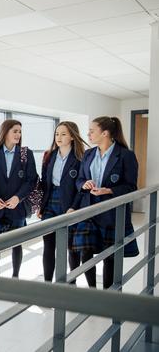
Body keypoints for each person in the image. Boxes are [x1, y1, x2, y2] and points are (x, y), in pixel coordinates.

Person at [74, 116, 139, 289]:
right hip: (88, 210)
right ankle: (93, 291)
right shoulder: (88, 154)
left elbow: (131, 187)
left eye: (91, 131)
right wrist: (84, 184)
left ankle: (108, 294)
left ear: (105, 133)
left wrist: (108, 190)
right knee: (85, 252)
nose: (88, 134)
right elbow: (79, 179)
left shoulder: (125, 155)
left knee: (109, 257)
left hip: (112, 213)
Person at [0, 119, 38, 278]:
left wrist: (18, 198)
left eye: (20, 131)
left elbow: (31, 180)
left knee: (17, 244)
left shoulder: (25, 153)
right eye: (15, 131)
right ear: (5, 132)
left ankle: (15, 278)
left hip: (18, 207)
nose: (18, 134)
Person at [37, 121, 87, 282]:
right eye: (57, 134)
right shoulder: (49, 155)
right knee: (49, 244)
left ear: (72, 136)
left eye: (63, 134)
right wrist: (41, 205)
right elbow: (45, 183)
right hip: (51, 203)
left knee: (72, 248)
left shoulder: (81, 158)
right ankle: (47, 284)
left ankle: (71, 284)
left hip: (71, 204)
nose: (58, 137)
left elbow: (82, 187)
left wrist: (74, 207)